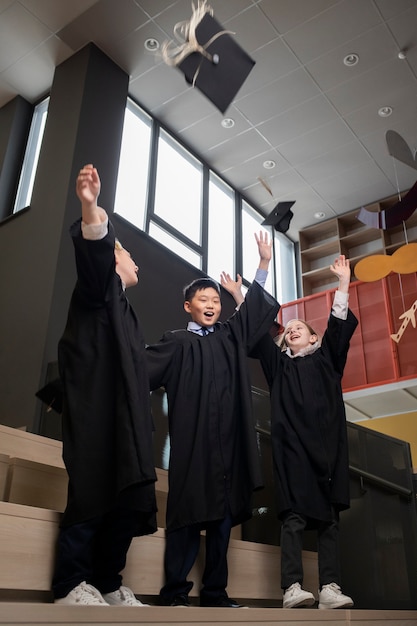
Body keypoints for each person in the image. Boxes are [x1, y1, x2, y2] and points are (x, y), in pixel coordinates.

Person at [145, 232, 279, 608]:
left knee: (222, 522)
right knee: (186, 517)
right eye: (203, 299)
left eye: (216, 300)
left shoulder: (228, 337)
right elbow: (137, 370)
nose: (211, 304)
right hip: (192, 446)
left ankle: (216, 593)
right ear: (188, 306)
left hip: (228, 446)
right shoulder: (175, 342)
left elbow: (253, 314)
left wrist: (263, 264)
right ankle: (174, 592)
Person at [223, 255, 357, 610]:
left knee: (328, 520)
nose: (293, 329)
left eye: (301, 327)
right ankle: (292, 587)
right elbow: (257, 332)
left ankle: (330, 587)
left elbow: (339, 325)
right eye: (289, 329)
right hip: (293, 450)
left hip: (328, 451)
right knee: (294, 517)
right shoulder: (279, 365)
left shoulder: (328, 358)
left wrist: (343, 282)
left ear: (313, 336)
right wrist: (242, 294)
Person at [52, 164, 157, 606]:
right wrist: (91, 208)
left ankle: (107, 581)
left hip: (126, 417)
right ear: (115, 259)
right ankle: (71, 582)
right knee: (94, 487)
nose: (135, 261)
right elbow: (95, 258)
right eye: (127, 253)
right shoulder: (99, 290)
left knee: (128, 497)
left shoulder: (126, 311)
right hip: (96, 409)